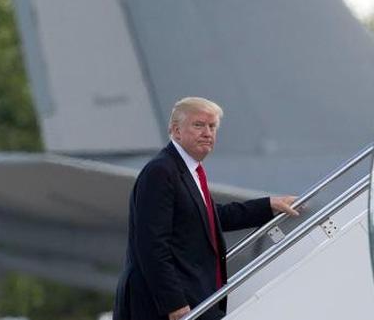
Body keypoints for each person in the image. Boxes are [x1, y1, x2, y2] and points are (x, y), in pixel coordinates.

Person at [115, 97, 299, 320]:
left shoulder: (187, 170)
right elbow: (151, 245)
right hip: (165, 307)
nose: (207, 133)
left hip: (194, 297)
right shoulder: (161, 172)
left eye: (212, 126)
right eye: (198, 125)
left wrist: (266, 206)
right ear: (176, 131)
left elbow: (209, 217)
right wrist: (174, 303)